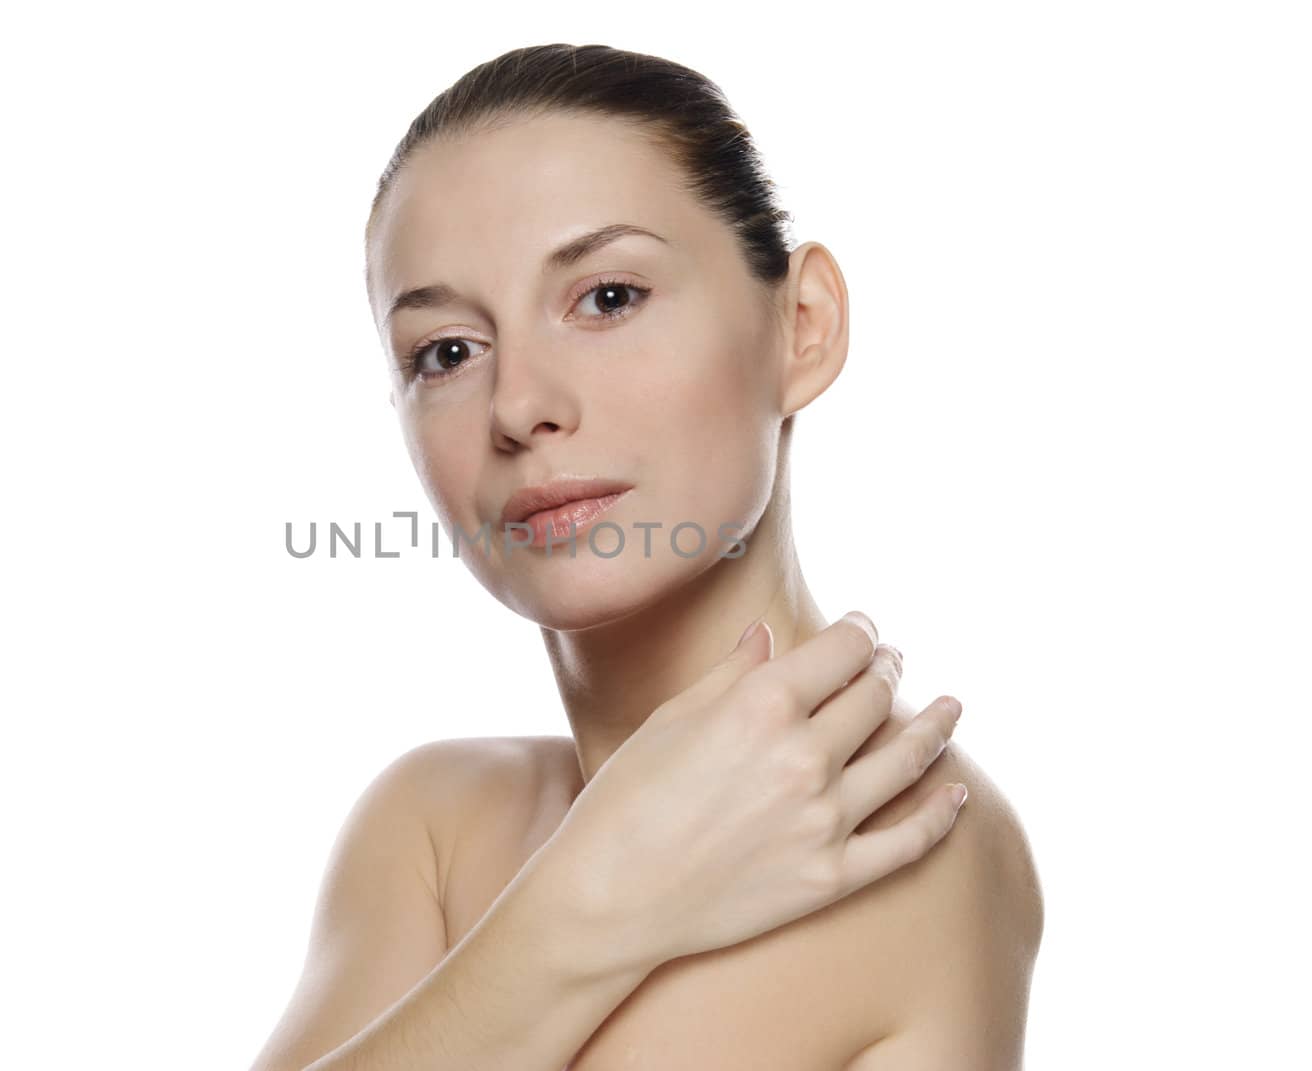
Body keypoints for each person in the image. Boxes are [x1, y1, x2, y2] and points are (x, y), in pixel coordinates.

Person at [252, 43, 1044, 1071]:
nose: (521, 407)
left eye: (608, 298)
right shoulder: (429, 827)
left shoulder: (907, 842)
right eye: (446, 351)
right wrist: (591, 901)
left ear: (800, 328)